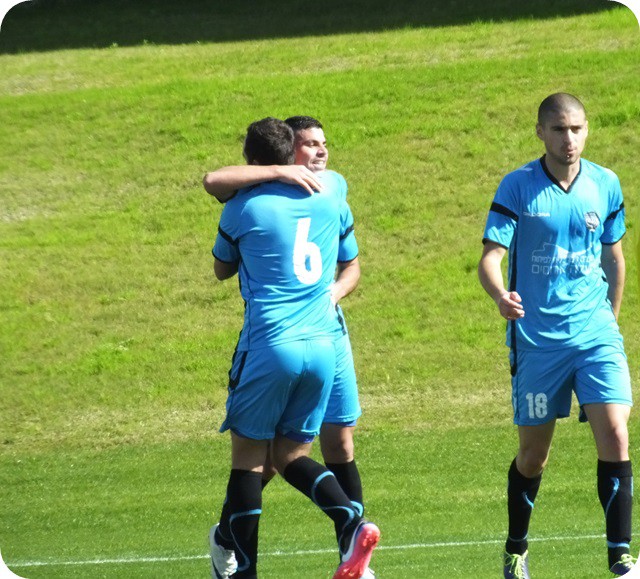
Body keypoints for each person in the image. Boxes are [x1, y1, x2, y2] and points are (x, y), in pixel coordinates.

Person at [209, 117, 379, 579]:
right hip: (323, 344)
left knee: (248, 462)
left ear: (251, 160)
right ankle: (351, 523)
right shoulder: (332, 192)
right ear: (291, 154)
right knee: (289, 456)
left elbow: (222, 268)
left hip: (269, 343)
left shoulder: (243, 207)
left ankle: (244, 572)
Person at [478, 93, 635, 578]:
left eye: (577, 129)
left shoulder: (605, 184)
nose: (570, 139)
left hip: (596, 336)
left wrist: (609, 320)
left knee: (616, 435)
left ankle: (620, 558)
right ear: (541, 132)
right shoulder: (518, 187)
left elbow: (614, 257)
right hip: (538, 342)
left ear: (587, 130)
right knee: (534, 456)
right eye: (560, 129)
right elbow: (490, 258)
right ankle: (516, 549)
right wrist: (501, 296)